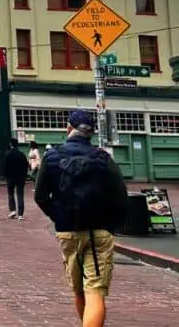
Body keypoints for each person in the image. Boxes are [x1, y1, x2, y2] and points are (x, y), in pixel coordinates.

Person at [34, 110, 127, 327]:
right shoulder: (103, 158)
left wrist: (58, 216)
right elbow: (121, 197)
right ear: (91, 133)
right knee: (95, 292)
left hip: (68, 230)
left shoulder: (52, 157)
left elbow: (40, 196)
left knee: (78, 290)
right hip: (99, 232)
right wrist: (111, 224)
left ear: (68, 129)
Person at [3, 138, 30, 220]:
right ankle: (21, 214)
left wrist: (6, 176)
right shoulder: (22, 154)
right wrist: (25, 176)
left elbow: (5, 167)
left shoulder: (8, 154)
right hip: (20, 177)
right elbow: (26, 166)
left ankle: (13, 210)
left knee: (10, 194)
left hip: (11, 177)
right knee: (20, 195)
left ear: (11, 145)